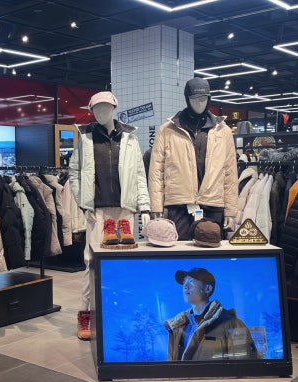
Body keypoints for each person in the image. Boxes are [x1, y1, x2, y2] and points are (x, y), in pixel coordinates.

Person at [69, 91, 151, 340]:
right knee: (92, 262)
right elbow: (74, 173)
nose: (101, 113)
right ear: (91, 111)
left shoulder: (129, 137)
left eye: (106, 108)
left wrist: (144, 206)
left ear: (114, 109)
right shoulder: (86, 137)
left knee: (123, 263)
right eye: (96, 109)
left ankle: (123, 313)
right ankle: (86, 314)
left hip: (125, 209)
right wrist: (83, 203)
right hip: (97, 211)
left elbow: (139, 174)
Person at [149, 77, 238, 239]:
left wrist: (230, 210)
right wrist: (156, 206)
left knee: (210, 251)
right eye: (194, 98)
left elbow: (230, 173)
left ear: (209, 99)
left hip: (213, 204)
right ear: (187, 99)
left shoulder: (223, 131)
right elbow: (156, 171)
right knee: (179, 250)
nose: (200, 103)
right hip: (179, 205)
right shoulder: (167, 130)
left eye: (204, 98)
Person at [165, 268, 258, 361]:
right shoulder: (179, 326)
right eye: (184, 282)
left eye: (191, 281)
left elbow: (243, 365)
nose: (185, 286)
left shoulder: (233, 324)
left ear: (207, 289)